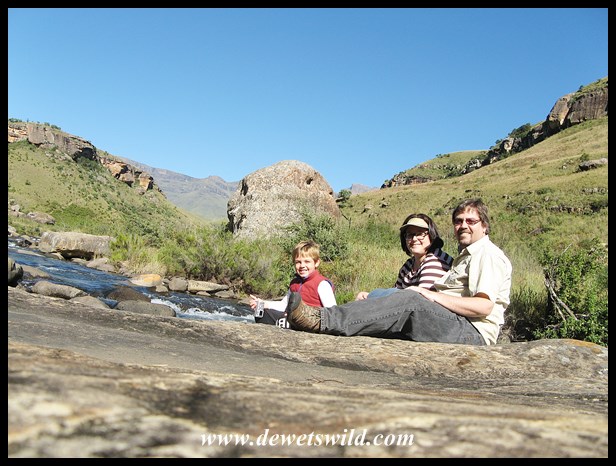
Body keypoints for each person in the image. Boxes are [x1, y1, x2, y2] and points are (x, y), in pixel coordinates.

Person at [286, 199, 512, 346]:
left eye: (471, 221)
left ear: (484, 226)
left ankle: (322, 319)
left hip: (472, 333)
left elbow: (484, 306)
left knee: (412, 299)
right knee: (398, 304)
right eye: (458, 221)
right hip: (456, 324)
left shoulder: (487, 254)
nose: (463, 225)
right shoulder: (467, 256)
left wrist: (429, 295)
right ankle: (330, 325)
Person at [355, 213, 453, 300]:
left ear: (431, 235)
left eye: (420, 233)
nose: (414, 239)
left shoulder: (435, 261)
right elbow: (394, 295)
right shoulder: (409, 265)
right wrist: (369, 297)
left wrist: (372, 296)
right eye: (410, 235)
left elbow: (422, 303)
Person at [249, 240, 336, 328]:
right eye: (298, 262)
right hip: (292, 321)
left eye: (307, 261)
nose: (302, 266)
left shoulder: (322, 284)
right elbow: (284, 305)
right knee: (262, 313)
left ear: (316, 263)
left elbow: (333, 313)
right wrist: (263, 303)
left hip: (311, 324)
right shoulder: (294, 283)